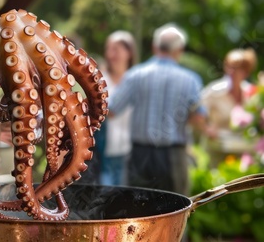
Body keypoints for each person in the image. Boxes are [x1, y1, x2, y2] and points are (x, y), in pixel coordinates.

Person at [108, 24, 207, 195]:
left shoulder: (135, 75)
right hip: (173, 157)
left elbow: (111, 110)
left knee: (137, 213)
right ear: (180, 50)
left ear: (155, 47)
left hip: (140, 156)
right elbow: (199, 119)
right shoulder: (190, 80)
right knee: (174, 213)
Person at [201, 48, 257, 167]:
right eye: (229, 66)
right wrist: (207, 129)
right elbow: (197, 113)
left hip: (244, 151)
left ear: (246, 71)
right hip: (218, 150)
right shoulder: (214, 91)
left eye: (237, 68)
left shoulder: (251, 92)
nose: (232, 71)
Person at [99, 31, 136, 186]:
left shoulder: (136, 79)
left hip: (130, 150)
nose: (111, 54)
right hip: (103, 151)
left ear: (129, 52)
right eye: (109, 49)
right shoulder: (100, 79)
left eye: (116, 49)